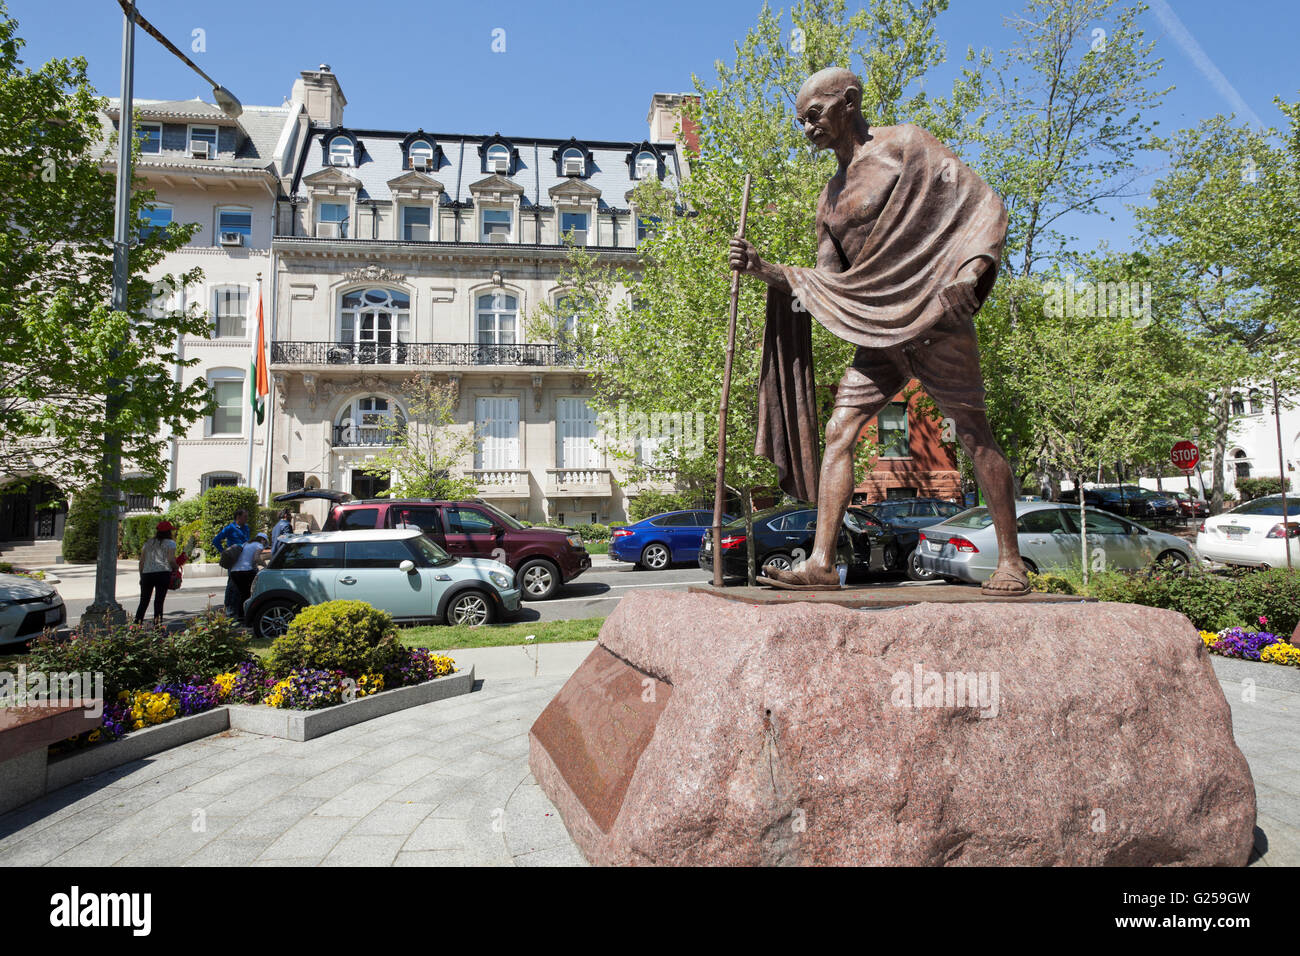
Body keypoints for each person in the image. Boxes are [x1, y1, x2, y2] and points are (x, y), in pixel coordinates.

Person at [729, 67, 1029, 595]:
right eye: (800, 122)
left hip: (936, 320)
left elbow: (984, 203)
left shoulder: (908, 146)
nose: (807, 129)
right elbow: (827, 282)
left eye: (814, 115)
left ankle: (1011, 562)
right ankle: (821, 561)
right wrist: (766, 270)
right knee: (839, 431)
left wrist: (970, 272)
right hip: (877, 331)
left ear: (849, 102)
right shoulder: (828, 199)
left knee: (973, 430)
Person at [136, 520, 179, 626]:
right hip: (162, 573)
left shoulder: (148, 543)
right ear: (169, 532)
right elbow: (171, 560)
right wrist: (176, 568)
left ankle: (136, 625)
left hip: (147, 574)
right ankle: (158, 626)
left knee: (144, 601)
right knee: (159, 601)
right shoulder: (170, 543)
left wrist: (141, 576)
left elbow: (141, 562)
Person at [212, 509, 251, 616]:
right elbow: (216, 540)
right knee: (232, 584)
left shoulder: (246, 528)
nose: (246, 519)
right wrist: (224, 552)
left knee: (241, 585)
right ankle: (228, 607)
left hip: (245, 560)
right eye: (245, 517)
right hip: (234, 560)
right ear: (238, 517)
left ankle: (238, 608)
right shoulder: (230, 528)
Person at [229, 532, 269, 621]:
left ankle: (240, 615)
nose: (264, 545)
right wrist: (265, 565)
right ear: (263, 540)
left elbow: (247, 558)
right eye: (265, 542)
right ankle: (247, 615)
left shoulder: (246, 544)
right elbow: (256, 558)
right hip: (245, 571)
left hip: (234, 571)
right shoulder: (259, 545)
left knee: (242, 593)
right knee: (250, 593)